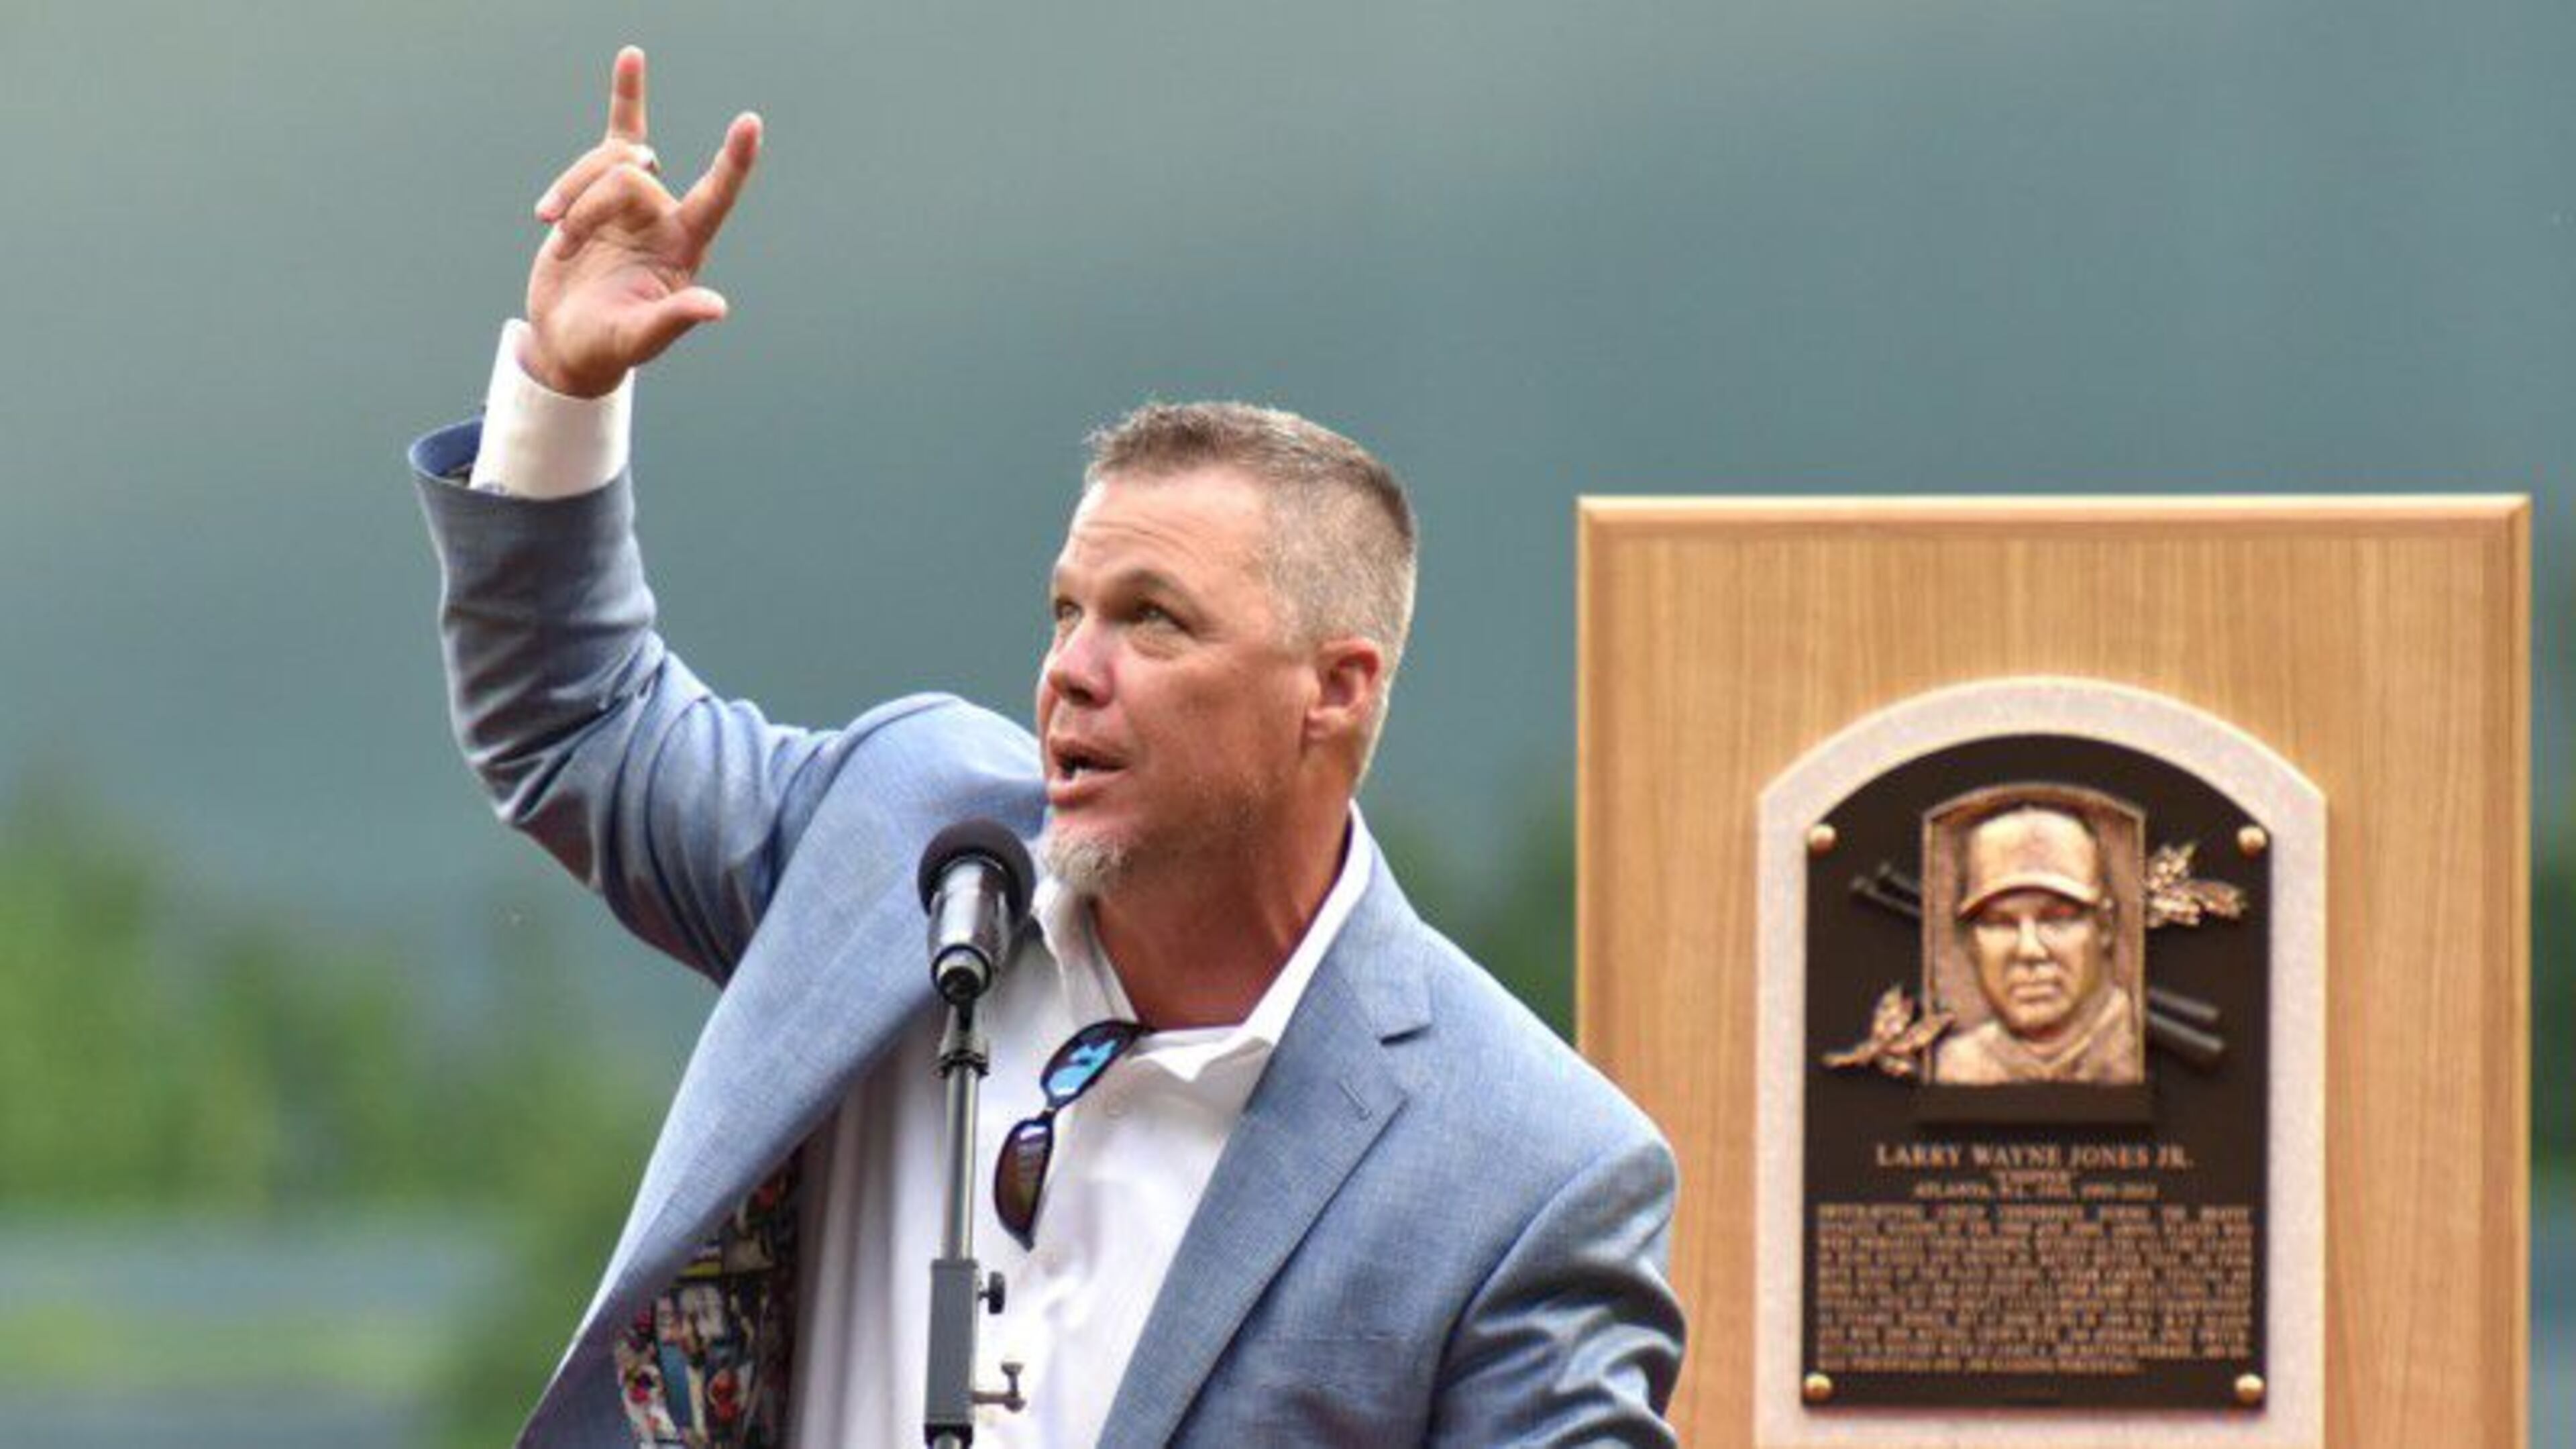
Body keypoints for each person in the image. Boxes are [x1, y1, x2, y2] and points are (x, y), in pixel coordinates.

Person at [407, 48, 1684, 1447]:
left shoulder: (1527, 1171)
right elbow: (579, 723)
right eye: (1067, 610)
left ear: (1335, 691)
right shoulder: (901, 834)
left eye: (1152, 621)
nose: (1072, 670)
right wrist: (565, 390)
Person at [1931, 804, 2144, 1087]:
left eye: (2057, 919)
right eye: (2000, 923)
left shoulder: (2146, 1047)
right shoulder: (1954, 1066)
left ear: (2105, 926)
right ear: (1970, 940)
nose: (2029, 950)